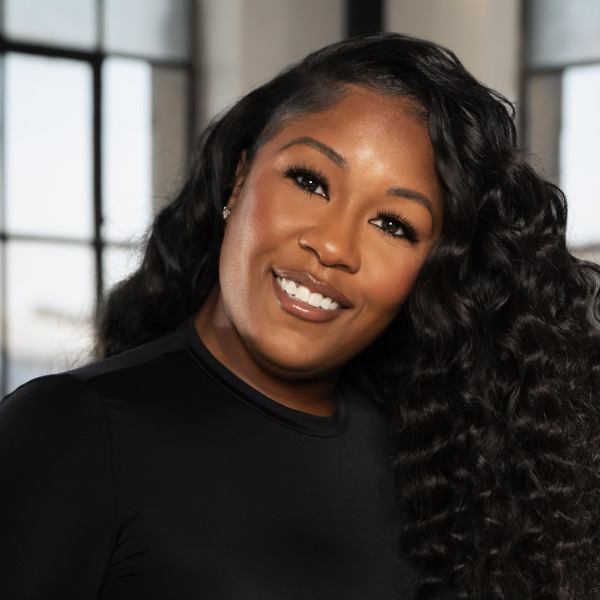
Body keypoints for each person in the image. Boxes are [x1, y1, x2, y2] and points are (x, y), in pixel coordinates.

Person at [1, 33, 598, 600]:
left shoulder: (437, 476)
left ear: (429, 271)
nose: (334, 246)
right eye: (310, 181)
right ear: (239, 179)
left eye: (393, 225)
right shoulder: (72, 429)